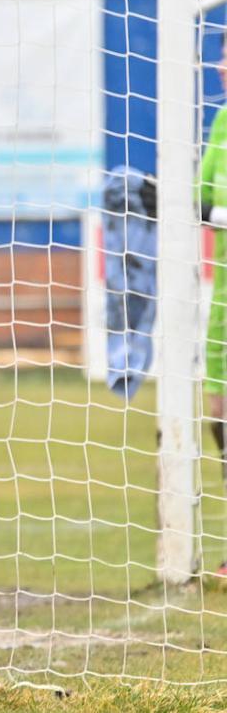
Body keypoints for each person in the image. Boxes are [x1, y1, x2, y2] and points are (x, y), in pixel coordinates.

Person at [200, 45, 227, 577]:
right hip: (224, 291)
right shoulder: (222, 121)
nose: (221, 65)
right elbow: (200, 201)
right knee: (218, 410)